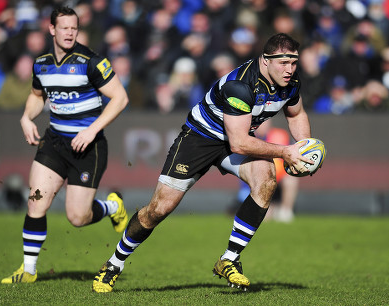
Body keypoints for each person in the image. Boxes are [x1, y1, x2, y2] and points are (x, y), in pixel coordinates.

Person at [92, 33, 313, 293]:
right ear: (265, 61)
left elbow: (296, 114)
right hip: (200, 138)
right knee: (159, 209)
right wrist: (286, 152)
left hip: (234, 138)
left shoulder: (291, 83)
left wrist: (304, 149)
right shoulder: (240, 85)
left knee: (265, 178)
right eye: (283, 63)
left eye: (293, 63)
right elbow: (239, 143)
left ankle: (229, 259)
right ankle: (114, 264)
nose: (289, 70)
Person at [1, 6, 129, 284]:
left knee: (77, 217)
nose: (70, 33)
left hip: (88, 147)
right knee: (35, 202)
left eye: (74, 28)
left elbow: (120, 98)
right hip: (55, 142)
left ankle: (112, 206)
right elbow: (37, 96)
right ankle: (29, 270)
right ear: (52, 30)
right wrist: (26, 117)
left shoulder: (91, 61)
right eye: (65, 28)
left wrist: (91, 130)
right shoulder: (42, 63)